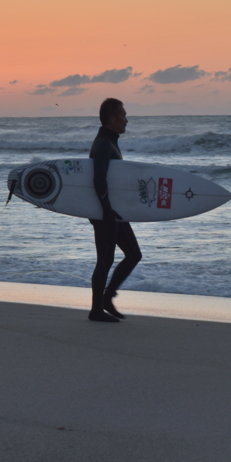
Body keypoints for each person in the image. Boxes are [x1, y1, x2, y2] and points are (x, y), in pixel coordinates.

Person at [87, 98, 142, 322]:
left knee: (133, 254)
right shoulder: (102, 144)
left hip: (112, 211)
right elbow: (98, 178)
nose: (126, 120)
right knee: (105, 260)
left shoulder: (110, 141)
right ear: (112, 119)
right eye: (123, 116)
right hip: (105, 213)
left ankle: (107, 298)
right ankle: (96, 309)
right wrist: (106, 210)